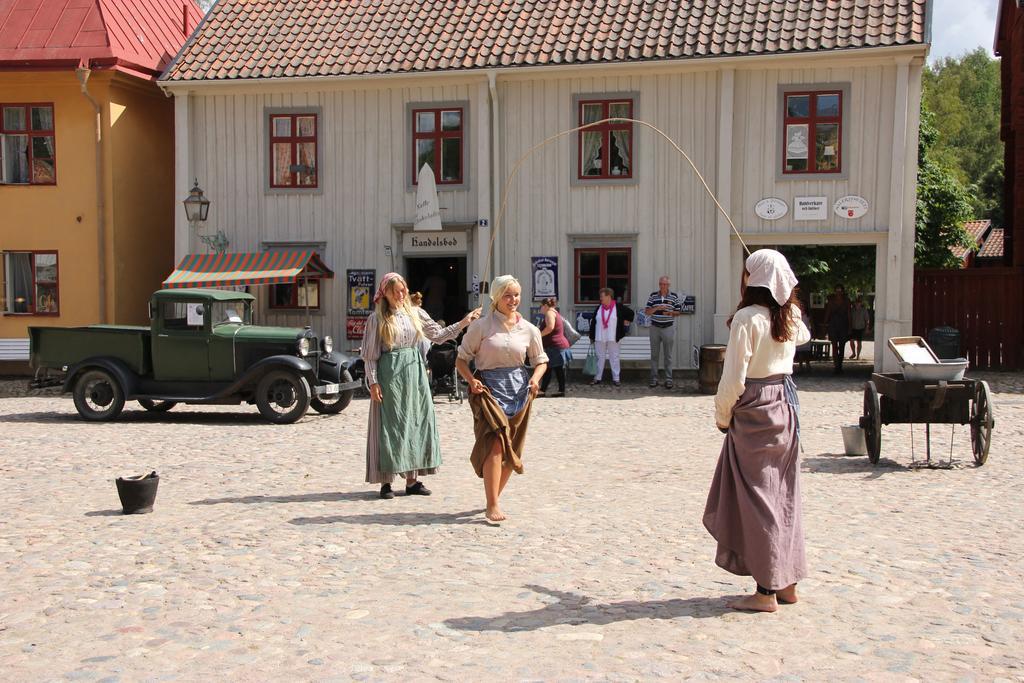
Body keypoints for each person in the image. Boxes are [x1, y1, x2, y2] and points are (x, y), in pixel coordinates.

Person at [704, 248, 811, 613]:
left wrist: (722, 417)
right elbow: (804, 336)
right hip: (786, 404)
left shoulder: (748, 318)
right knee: (783, 493)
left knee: (759, 498)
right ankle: (788, 583)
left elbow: (732, 378)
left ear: (751, 279)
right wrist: (784, 302)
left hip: (755, 407)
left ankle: (766, 591)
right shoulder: (790, 315)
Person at [361, 273, 481, 499]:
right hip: (389, 373)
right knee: (389, 424)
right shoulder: (376, 319)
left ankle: (412, 481)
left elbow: (438, 335)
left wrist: (465, 322)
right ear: (385, 293)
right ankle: (386, 481)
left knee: (415, 422)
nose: (400, 294)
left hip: (414, 373)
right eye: (395, 291)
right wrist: (374, 381)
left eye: (403, 290)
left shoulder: (415, 313)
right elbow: (370, 355)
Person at [456, 275, 548, 523]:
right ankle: (492, 504)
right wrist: (470, 380)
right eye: (508, 295)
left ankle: (492, 494)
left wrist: (535, 379)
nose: (513, 300)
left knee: (512, 448)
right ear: (497, 298)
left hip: (519, 391)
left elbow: (540, 361)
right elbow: (461, 359)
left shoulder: (529, 329)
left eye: (516, 294)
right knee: (494, 441)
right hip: (487, 390)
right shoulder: (481, 327)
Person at [586, 288, 635, 387]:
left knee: (614, 357)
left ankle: (616, 378)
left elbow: (631, 313)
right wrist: (592, 336)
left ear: (608, 296)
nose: (600, 298)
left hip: (613, 336)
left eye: (602, 296)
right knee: (600, 358)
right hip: (600, 337)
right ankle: (597, 377)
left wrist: (626, 321)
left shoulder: (618, 307)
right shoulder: (599, 308)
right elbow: (594, 323)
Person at [644, 276, 684, 389]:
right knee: (654, 355)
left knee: (668, 355)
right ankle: (654, 379)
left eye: (665, 284)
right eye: (661, 284)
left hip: (668, 328)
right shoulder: (653, 296)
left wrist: (670, 313)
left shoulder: (674, 296)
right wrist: (657, 308)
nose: (663, 286)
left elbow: (678, 312)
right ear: (659, 284)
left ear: (668, 285)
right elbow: (647, 311)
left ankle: (669, 379)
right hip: (655, 328)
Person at [537, 297, 572, 397]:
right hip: (558, 346)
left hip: (555, 346)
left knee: (548, 368)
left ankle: (543, 391)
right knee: (557, 369)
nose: (540, 309)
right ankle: (561, 391)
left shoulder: (549, 313)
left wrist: (539, 335)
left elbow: (550, 327)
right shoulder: (555, 312)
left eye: (541, 306)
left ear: (545, 306)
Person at [824, 285, 851, 375]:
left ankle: (840, 365)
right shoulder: (831, 301)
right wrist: (825, 325)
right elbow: (828, 313)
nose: (838, 293)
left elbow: (849, 314)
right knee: (834, 346)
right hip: (834, 325)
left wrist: (850, 327)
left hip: (843, 325)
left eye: (840, 291)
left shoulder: (846, 301)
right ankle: (836, 366)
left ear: (842, 292)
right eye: (837, 291)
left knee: (842, 346)